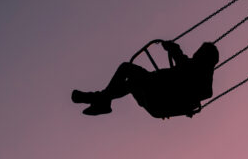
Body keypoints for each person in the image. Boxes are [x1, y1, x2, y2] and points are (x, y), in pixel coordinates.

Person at [71, 40, 218, 118]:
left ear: (204, 57)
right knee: (130, 83)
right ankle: (102, 100)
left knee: (126, 69)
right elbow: (184, 64)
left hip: (157, 92)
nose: (195, 54)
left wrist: (173, 48)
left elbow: (182, 62)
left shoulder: (197, 72)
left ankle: (100, 100)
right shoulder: (198, 74)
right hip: (155, 93)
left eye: (198, 52)